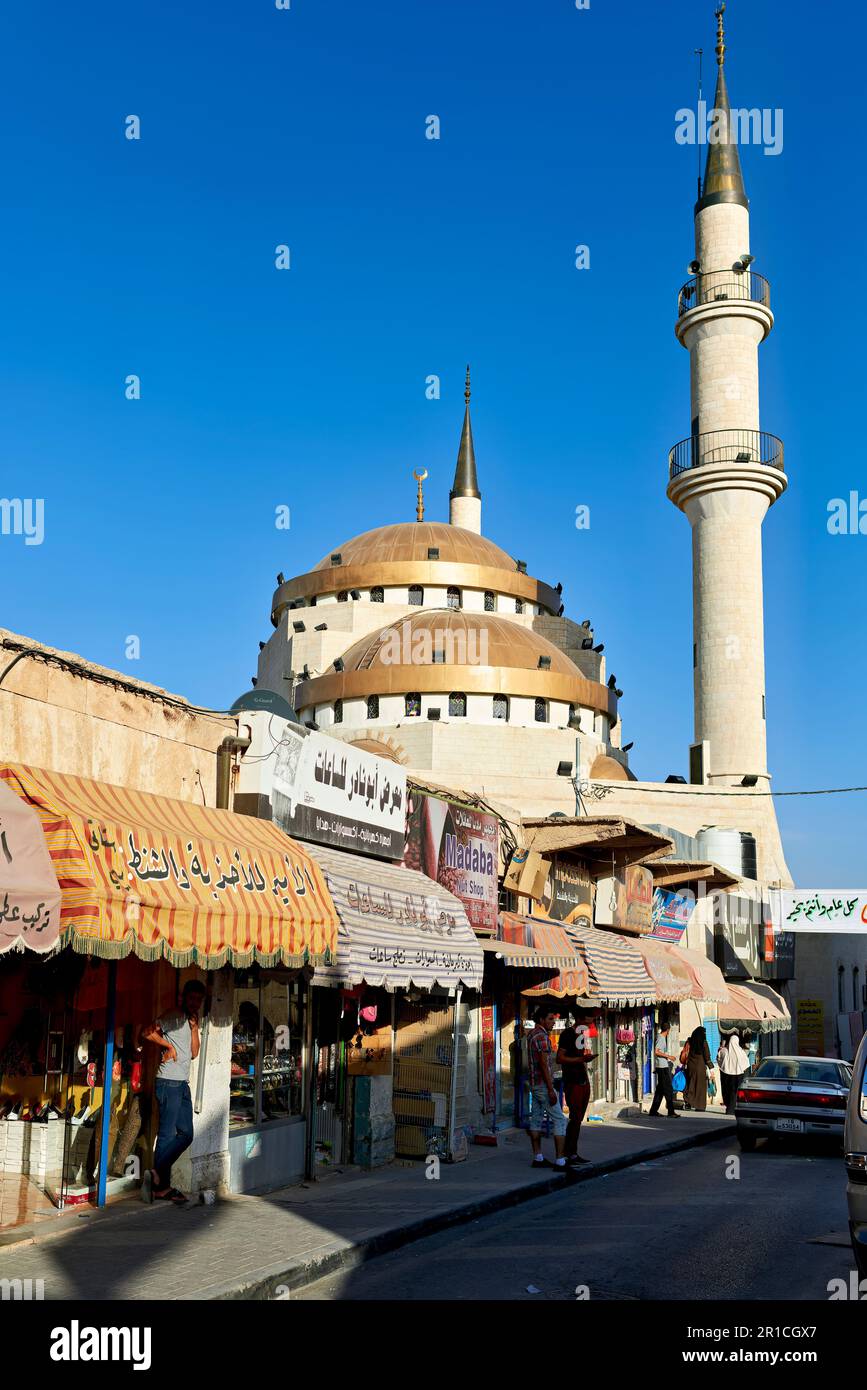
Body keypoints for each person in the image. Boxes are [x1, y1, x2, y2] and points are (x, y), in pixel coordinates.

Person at [139, 979, 206, 1203]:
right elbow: (146, 1032)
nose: (195, 1003)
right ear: (184, 998)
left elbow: (195, 1053)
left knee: (186, 1134)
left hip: (182, 1084)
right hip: (168, 1082)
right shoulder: (174, 1016)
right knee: (167, 1135)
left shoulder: (190, 1021)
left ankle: (157, 1174)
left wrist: (195, 1029)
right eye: (192, 998)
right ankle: (161, 1187)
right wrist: (167, 1046)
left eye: (199, 999)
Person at [525, 1007, 569, 1171]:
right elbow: (543, 1064)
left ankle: (538, 1157)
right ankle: (560, 1161)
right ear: (542, 1020)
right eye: (550, 1019)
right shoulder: (542, 1037)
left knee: (536, 1119)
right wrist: (551, 1089)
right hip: (543, 1085)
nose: (553, 1022)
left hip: (534, 1084)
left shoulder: (531, 1034)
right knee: (559, 1120)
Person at [557, 1017, 597, 1165]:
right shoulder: (567, 1034)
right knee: (575, 1118)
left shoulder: (580, 1035)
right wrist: (581, 1060)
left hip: (581, 1079)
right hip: (573, 1081)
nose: (588, 1025)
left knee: (578, 1119)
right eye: (587, 1022)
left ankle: (572, 1152)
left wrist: (584, 1059)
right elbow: (560, 1058)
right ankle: (569, 1152)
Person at [648, 1021, 680, 1117]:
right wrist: (668, 1056)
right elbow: (656, 1051)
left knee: (660, 1090)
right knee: (668, 1089)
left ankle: (653, 1111)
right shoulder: (661, 1038)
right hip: (662, 1067)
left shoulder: (660, 1037)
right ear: (668, 1030)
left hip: (661, 1066)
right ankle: (671, 1112)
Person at [717, 1030, 751, 1113]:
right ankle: (733, 1108)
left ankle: (729, 1107)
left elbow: (718, 1058)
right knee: (735, 1092)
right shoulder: (741, 1052)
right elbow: (746, 1063)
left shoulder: (724, 1051)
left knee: (727, 1091)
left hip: (726, 1075)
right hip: (738, 1075)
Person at [684, 1025, 712, 1111]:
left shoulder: (690, 1041)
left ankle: (688, 1102)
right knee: (700, 1086)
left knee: (691, 1084)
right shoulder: (703, 1042)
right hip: (700, 1066)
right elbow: (707, 1056)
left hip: (691, 1066)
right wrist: (710, 1067)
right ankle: (699, 1106)